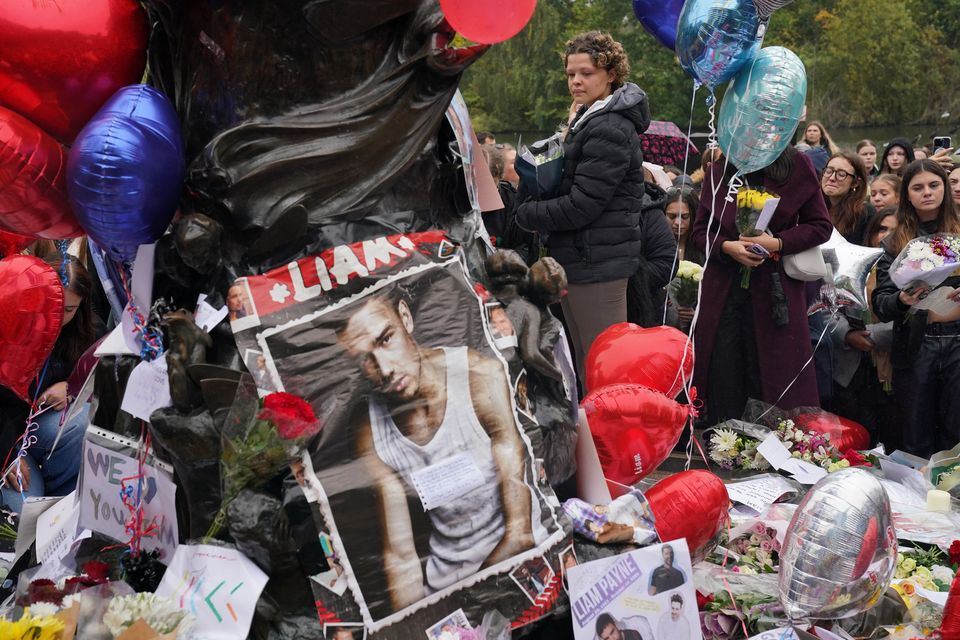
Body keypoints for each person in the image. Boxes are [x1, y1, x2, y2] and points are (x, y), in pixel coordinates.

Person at [338, 290, 550, 609]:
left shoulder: (479, 378)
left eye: (385, 340)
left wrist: (465, 609)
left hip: (519, 565)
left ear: (406, 318)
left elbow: (520, 532)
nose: (384, 369)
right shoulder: (369, 426)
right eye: (364, 359)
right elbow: (401, 557)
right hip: (443, 586)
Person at [516, 31, 651, 388]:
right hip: (580, 260)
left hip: (599, 266)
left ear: (611, 74)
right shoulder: (589, 118)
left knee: (607, 375)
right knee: (586, 369)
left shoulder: (610, 125)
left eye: (586, 73)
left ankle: (616, 446)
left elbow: (582, 205)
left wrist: (527, 214)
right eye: (570, 74)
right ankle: (597, 443)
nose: (576, 81)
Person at [693, 146, 833, 423]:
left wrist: (778, 242)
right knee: (724, 368)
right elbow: (700, 232)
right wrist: (726, 247)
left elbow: (820, 226)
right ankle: (725, 440)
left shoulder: (795, 165)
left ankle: (776, 446)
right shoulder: (720, 169)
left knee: (774, 374)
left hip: (774, 291)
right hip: (724, 292)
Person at [872, 159, 960, 457]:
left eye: (934, 185)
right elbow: (881, 304)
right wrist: (902, 300)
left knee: (955, 433)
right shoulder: (896, 243)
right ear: (906, 194)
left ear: (945, 189)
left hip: (957, 341)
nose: (927, 193)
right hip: (917, 344)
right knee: (915, 434)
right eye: (918, 187)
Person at [1, 258, 100, 511]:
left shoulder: (84, 332)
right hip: (6, 437)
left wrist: (72, 387)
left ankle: (60, 499)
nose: (58, 317)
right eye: (52, 307)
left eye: (68, 309)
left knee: (82, 421)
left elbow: (102, 378)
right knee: (23, 514)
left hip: (39, 429)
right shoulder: (9, 326)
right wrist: (8, 457)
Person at [662, 187, 703, 330]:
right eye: (672, 216)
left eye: (685, 217)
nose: (678, 223)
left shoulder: (703, 250)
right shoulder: (655, 249)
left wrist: (697, 313)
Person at [821, 152, 874, 245]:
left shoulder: (865, 214)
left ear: (855, 183)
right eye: (828, 171)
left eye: (841, 174)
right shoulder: (813, 209)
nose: (832, 178)